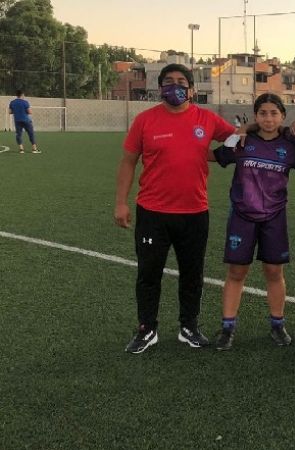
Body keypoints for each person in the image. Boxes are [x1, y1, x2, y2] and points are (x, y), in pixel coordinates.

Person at [115, 63, 236, 354]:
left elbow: (235, 138)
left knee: (192, 273)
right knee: (148, 273)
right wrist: (121, 202)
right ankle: (147, 329)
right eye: (168, 81)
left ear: (191, 89)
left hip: (194, 212)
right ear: (160, 88)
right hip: (152, 212)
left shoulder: (206, 119)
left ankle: (189, 327)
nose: (175, 86)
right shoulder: (145, 121)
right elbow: (128, 161)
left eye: (181, 81)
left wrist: (214, 154)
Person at [212, 93, 295, 351]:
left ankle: (277, 324)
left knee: (274, 272)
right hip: (242, 216)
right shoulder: (241, 141)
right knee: (237, 272)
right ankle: (227, 327)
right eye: (263, 113)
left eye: (274, 113)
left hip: (274, 217)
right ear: (255, 116)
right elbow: (215, 157)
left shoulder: (291, 146)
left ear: (282, 116)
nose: (268, 118)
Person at [9, 89, 39, 154]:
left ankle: (21, 149)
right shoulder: (25, 102)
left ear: (16, 95)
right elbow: (29, 112)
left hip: (17, 120)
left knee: (18, 134)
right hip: (26, 120)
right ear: (22, 95)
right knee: (31, 133)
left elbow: (10, 112)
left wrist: (17, 111)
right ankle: (34, 149)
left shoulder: (12, 102)